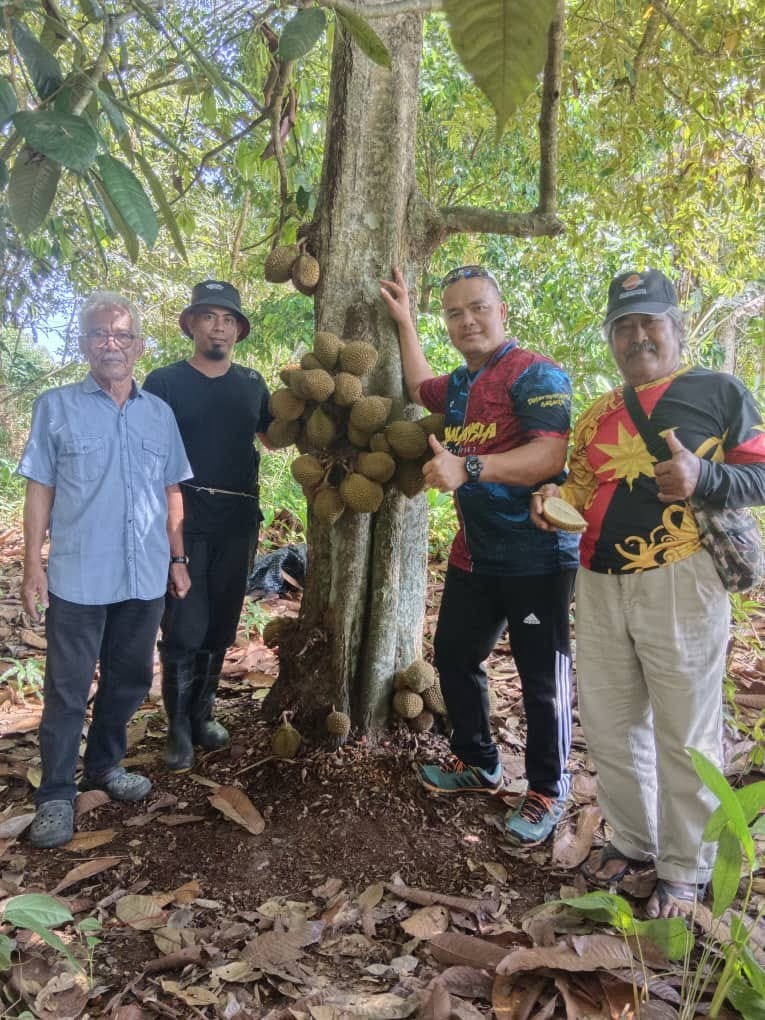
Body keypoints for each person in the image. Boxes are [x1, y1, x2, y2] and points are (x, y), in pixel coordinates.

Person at [531, 268, 765, 916]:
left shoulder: (718, 391)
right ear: (610, 336)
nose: (637, 337)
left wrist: (703, 475)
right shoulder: (596, 415)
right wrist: (553, 500)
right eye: (623, 326)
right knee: (609, 726)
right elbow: (579, 489)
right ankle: (634, 844)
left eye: (648, 322)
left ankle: (685, 869)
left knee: (684, 729)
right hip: (598, 580)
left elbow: (761, 473)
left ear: (676, 325)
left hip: (679, 578)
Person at [380, 265, 579, 845]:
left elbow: (549, 456)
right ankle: (478, 761)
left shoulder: (534, 373)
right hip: (476, 556)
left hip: (537, 557)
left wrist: (467, 466)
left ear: (502, 311)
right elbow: (420, 386)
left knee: (543, 676)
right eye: (454, 313)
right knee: (455, 656)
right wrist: (406, 320)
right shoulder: (462, 385)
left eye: (477, 308)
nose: (467, 320)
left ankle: (547, 789)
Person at [19, 292, 192, 849]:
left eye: (122, 335)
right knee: (67, 690)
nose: (111, 344)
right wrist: (32, 566)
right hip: (78, 576)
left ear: (139, 345)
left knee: (130, 680)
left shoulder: (159, 414)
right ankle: (55, 795)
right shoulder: (57, 406)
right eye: (99, 335)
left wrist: (177, 557)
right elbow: (39, 489)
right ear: (84, 344)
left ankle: (104, 767)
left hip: (143, 576)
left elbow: (171, 491)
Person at [143, 281, 271, 774]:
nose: (219, 325)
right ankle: (176, 727)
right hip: (184, 519)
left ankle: (202, 715)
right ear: (192, 324)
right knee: (184, 625)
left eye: (228, 319)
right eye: (209, 316)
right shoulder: (164, 383)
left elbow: (277, 436)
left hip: (239, 521)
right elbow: (147, 453)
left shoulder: (252, 384)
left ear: (238, 330)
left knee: (220, 622)